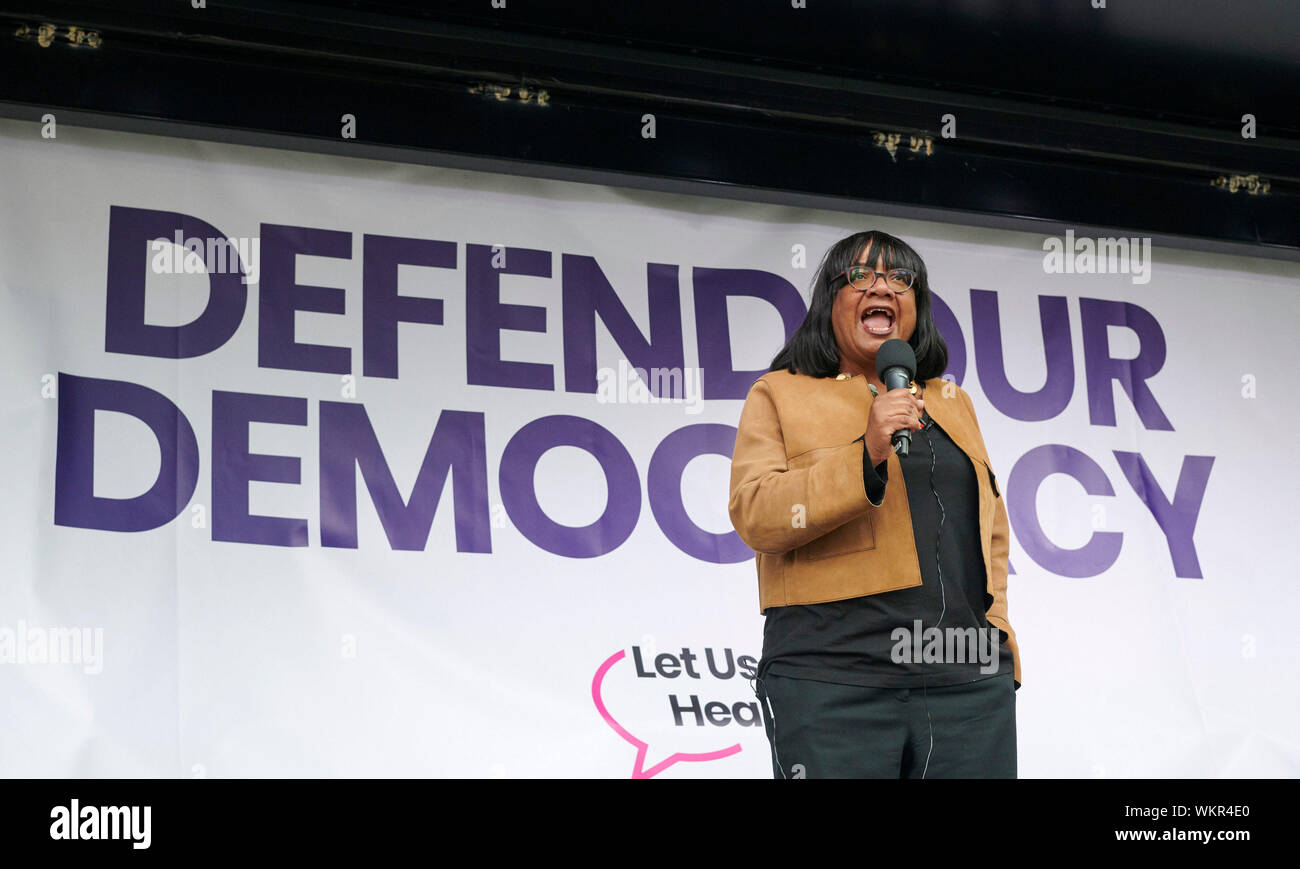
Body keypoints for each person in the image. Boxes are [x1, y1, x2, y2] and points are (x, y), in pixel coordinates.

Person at [727, 230, 1020, 779]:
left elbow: (991, 532)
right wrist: (866, 455)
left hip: (965, 679)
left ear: (916, 306)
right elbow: (756, 512)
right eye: (860, 276)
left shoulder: (953, 403)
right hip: (834, 677)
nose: (881, 286)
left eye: (899, 278)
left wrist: (997, 634)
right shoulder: (780, 393)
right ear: (830, 302)